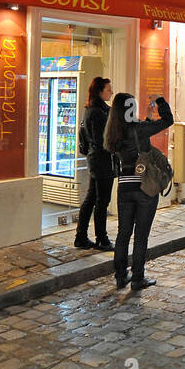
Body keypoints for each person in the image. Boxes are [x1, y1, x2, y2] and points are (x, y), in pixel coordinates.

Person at [104, 92, 174, 291]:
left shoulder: (113, 132)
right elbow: (168, 120)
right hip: (144, 186)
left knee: (123, 233)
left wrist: (147, 118)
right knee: (141, 234)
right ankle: (137, 278)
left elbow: (133, 139)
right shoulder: (139, 129)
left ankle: (120, 276)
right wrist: (160, 100)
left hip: (124, 186)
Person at [74, 77, 114, 250]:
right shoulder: (98, 112)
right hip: (102, 161)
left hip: (95, 159)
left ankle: (81, 236)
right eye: (108, 89)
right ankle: (101, 239)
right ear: (99, 91)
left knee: (91, 198)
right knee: (101, 201)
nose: (111, 92)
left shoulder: (92, 109)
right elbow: (101, 140)